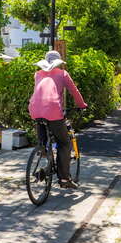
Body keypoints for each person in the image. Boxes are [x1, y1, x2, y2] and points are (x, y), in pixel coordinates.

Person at [28, 50, 87, 189]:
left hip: (35, 109)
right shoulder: (63, 74)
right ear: (58, 63)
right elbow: (74, 91)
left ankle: (43, 148)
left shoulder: (37, 74)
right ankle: (64, 178)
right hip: (54, 111)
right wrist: (82, 105)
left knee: (44, 138)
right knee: (64, 143)